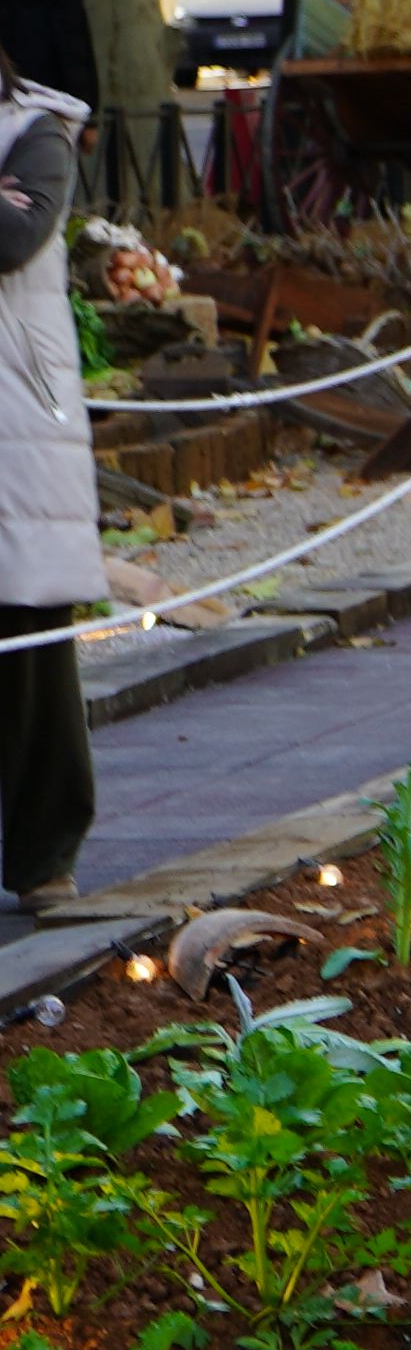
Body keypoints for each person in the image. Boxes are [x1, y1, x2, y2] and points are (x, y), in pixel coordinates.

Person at [0, 55, 99, 909]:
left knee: (28, 638)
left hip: (17, 426)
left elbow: (12, 239)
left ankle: (44, 856)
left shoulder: (38, 132)